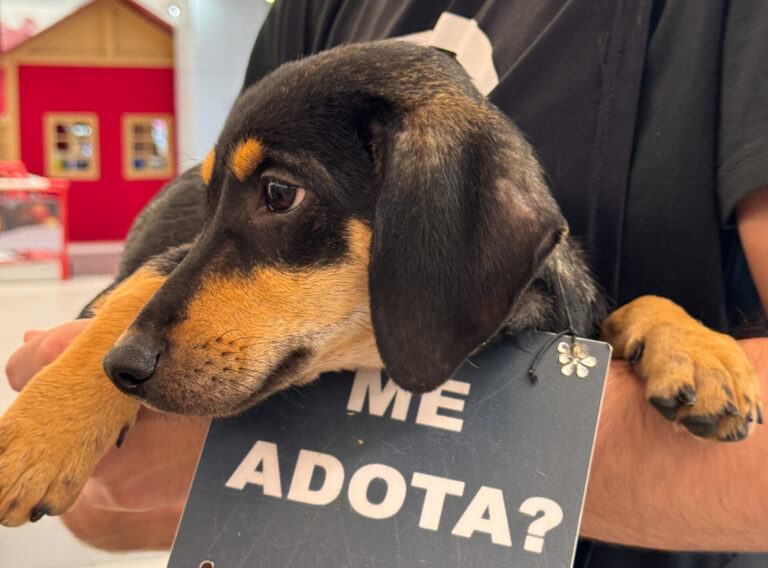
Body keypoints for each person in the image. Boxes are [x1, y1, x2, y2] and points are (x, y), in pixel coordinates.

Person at [6, 0, 768, 565]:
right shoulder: (312, 12)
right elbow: (110, 502)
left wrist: (298, 457)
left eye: (279, 194)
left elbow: (576, 327)